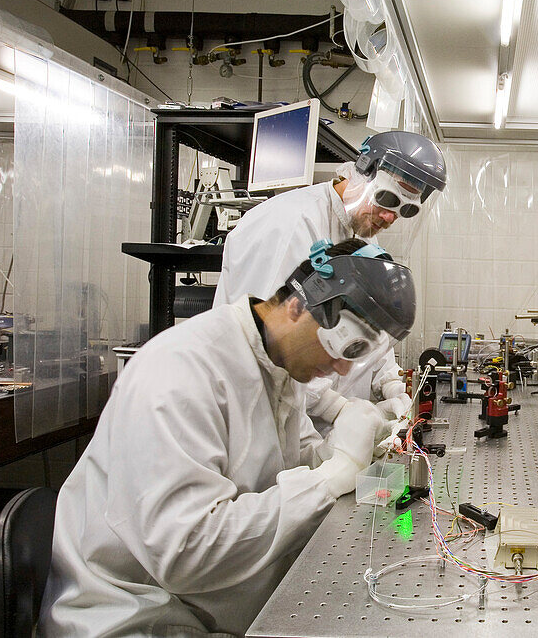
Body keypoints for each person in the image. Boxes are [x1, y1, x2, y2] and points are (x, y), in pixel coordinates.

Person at [39, 239, 416, 636]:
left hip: (210, 604)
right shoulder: (181, 372)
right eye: (344, 346)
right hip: (136, 613)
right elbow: (184, 552)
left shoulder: (276, 364)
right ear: (297, 306)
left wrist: (346, 447)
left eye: (358, 354)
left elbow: (290, 459)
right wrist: (328, 480)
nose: (341, 366)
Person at [214, 130, 446, 424]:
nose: (390, 217)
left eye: (406, 210)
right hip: (265, 418)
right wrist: (338, 410)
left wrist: (392, 384)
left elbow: (370, 327)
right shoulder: (291, 225)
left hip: (313, 429)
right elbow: (275, 343)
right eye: (388, 199)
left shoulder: (362, 238)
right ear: (362, 172)